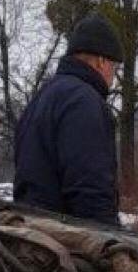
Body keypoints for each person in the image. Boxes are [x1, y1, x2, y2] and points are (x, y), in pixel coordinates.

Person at [14, 12, 123, 226]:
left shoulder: (41, 98)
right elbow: (91, 191)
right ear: (101, 61)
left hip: (31, 235)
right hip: (67, 242)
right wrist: (112, 243)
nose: (114, 77)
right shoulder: (85, 103)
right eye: (115, 67)